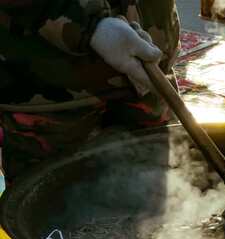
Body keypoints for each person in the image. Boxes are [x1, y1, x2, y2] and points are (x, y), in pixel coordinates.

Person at [0, 0, 180, 182]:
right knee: (47, 201)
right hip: (52, 88)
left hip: (147, 69)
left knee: (163, 193)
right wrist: (87, 23)